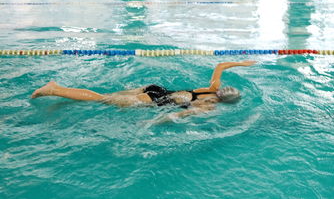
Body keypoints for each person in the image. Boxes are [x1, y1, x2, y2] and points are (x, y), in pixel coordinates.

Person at [31, 61, 256, 119]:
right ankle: (55, 89)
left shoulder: (211, 89)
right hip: (149, 101)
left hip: (154, 89)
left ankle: (60, 97)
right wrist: (151, 123)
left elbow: (220, 65)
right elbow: (177, 115)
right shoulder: (208, 107)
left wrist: (242, 64)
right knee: (99, 99)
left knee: (108, 97)